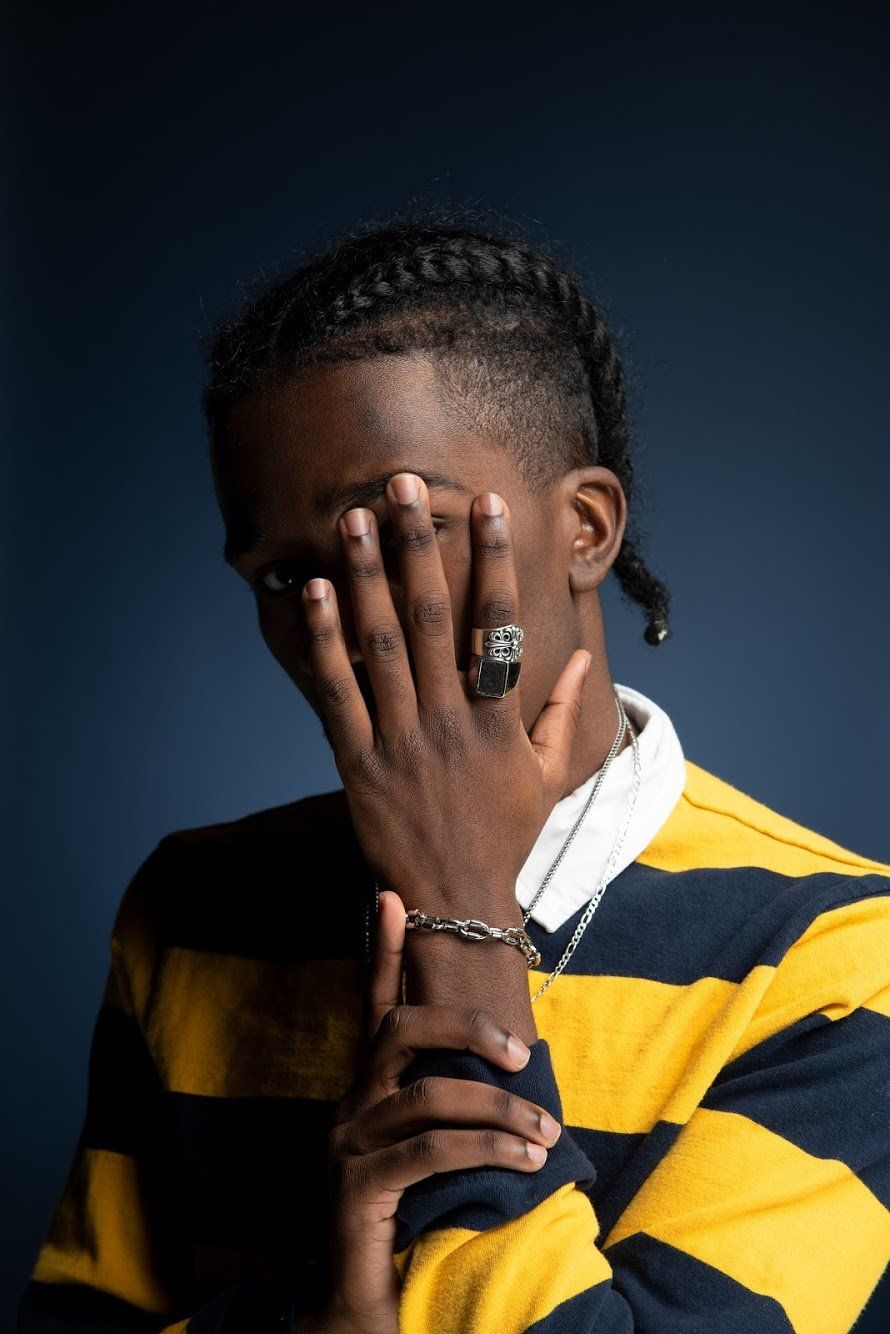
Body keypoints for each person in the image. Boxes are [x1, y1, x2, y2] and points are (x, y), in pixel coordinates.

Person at [19, 218, 890, 1333]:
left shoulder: (834, 957)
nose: (347, 622)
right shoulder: (190, 907)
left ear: (584, 528)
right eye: (284, 578)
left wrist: (461, 908)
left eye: (403, 533)